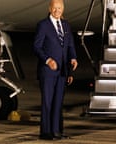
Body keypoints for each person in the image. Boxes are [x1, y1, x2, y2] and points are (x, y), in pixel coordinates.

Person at [33, 0, 78, 140]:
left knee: (58, 101)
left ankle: (57, 131)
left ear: (63, 9)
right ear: (49, 8)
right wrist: (47, 60)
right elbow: (37, 47)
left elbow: (69, 45)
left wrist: (73, 59)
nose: (57, 11)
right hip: (48, 70)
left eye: (59, 8)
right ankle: (46, 132)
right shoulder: (43, 25)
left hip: (63, 70)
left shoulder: (65, 25)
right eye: (54, 8)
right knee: (48, 101)